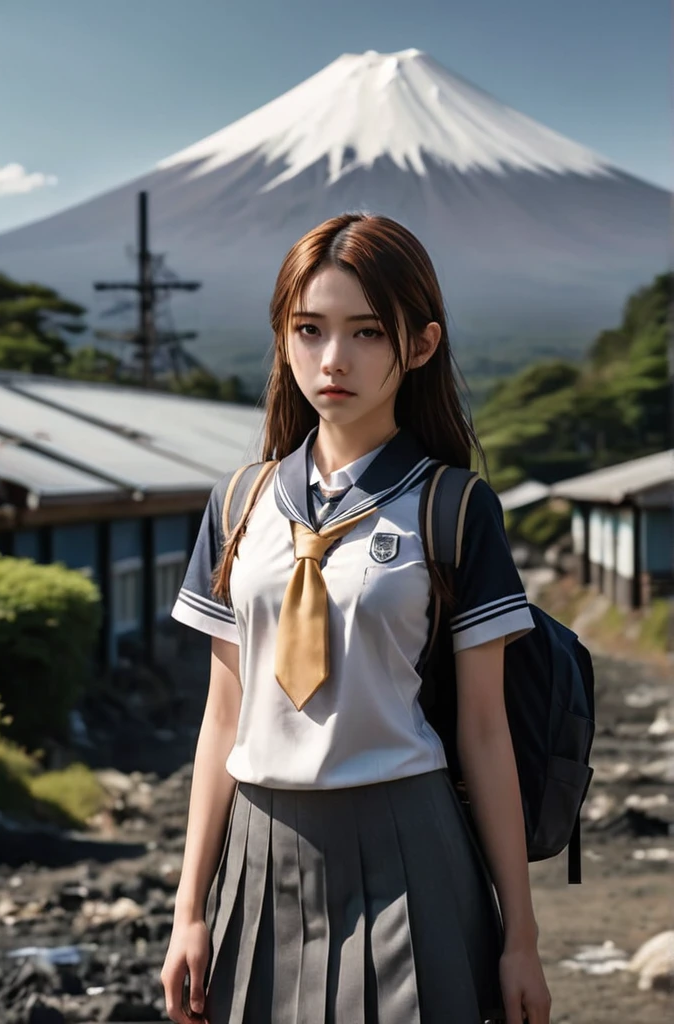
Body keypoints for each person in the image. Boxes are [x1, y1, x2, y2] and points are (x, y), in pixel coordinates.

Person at [160, 212, 552, 1024]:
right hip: (259, 852)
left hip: (411, 847)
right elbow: (222, 718)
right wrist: (189, 910)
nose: (333, 359)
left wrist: (522, 937)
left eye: (367, 332)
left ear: (420, 344)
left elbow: (485, 733)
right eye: (310, 329)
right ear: (283, 338)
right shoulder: (239, 504)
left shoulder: (454, 508)